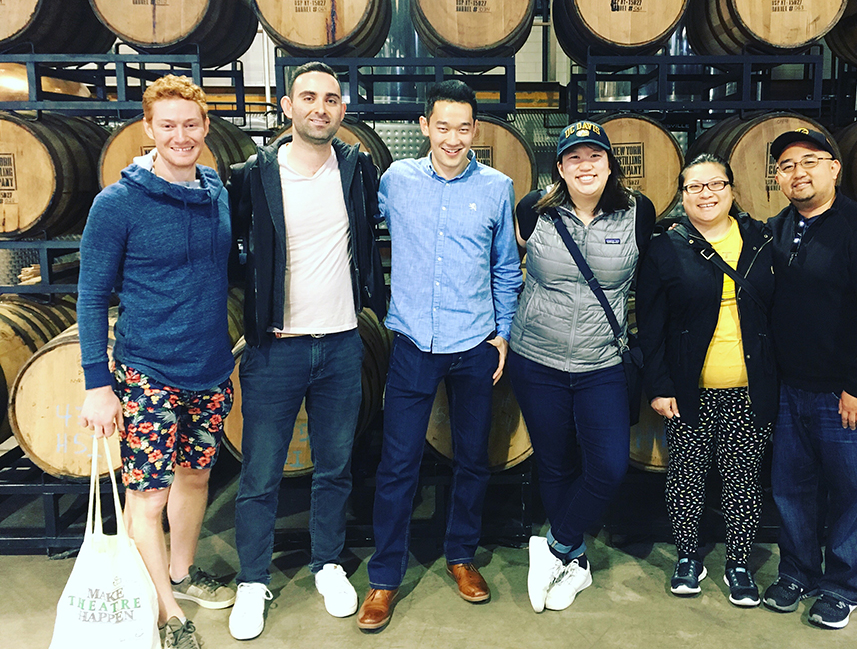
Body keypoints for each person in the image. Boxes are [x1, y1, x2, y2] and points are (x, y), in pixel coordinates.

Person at [226, 62, 386, 640]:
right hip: (277, 351)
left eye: (332, 99)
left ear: (343, 110)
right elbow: (231, 253)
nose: (321, 106)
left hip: (342, 344)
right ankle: (251, 580)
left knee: (335, 468)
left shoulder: (357, 168)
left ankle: (327, 565)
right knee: (260, 474)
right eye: (309, 97)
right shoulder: (252, 174)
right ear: (286, 106)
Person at [357, 80, 522, 631]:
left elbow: (505, 267)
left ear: (476, 130)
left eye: (464, 127)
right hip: (412, 345)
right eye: (443, 126)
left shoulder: (497, 187)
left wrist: (503, 334)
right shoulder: (395, 181)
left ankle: (461, 556)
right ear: (425, 127)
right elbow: (354, 230)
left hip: (474, 344)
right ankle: (384, 579)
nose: (453, 137)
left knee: (473, 458)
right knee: (397, 464)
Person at [78, 75, 236, 649]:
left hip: (211, 370)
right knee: (147, 494)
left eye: (190, 124)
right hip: (147, 373)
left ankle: (181, 572)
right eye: (167, 125)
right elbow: (92, 297)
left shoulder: (214, 189)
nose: (180, 135)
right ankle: (167, 613)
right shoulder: (117, 203)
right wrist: (98, 385)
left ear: (205, 126)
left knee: (195, 477)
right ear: (148, 129)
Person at [508, 120, 654, 612]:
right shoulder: (534, 209)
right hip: (537, 359)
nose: (585, 166)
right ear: (560, 167)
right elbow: (508, 269)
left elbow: (651, 284)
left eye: (594, 156)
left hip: (600, 362)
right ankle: (575, 562)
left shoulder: (637, 212)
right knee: (553, 462)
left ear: (610, 164)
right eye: (574, 158)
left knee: (609, 467)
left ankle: (549, 546)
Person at [762, 129, 857, 629]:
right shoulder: (777, 228)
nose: (797, 172)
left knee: (848, 492)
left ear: (834, 168)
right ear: (777, 178)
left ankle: (841, 585)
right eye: (785, 165)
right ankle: (797, 572)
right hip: (788, 388)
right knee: (791, 490)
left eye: (809, 161)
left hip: (842, 394)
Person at [635, 154, 778, 608]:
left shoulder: (760, 239)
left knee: (742, 479)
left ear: (732, 191)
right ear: (682, 196)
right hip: (688, 389)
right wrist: (659, 386)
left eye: (716, 184)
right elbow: (651, 325)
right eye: (695, 187)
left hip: (750, 387)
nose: (706, 194)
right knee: (687, 476)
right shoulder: (666, 247)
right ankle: (687, 558)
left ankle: (738, 562)